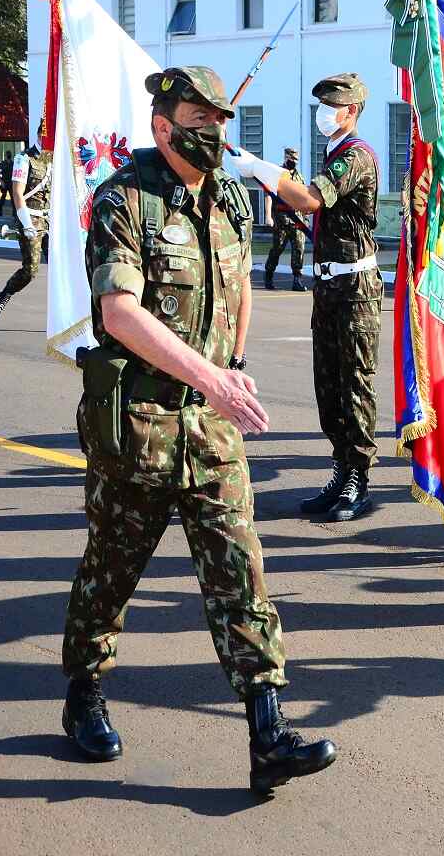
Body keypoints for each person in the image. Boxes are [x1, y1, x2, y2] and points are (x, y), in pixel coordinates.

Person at [62, 66, 335, 793]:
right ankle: (85, 691)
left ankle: (268, 733)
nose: (214, 128)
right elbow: (119, 313)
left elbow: (237, 285)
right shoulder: (123, 200)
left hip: (211, 429)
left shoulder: (232, 201)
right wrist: (208, 375)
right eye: (199, 116)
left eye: (220, 116)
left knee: (240, 574)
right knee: (112, 573)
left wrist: (233, 364)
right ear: (163, 126)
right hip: (140, 426)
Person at [234, 73, 381, 524]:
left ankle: (357, 477)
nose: (322, 113)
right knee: (329, 385)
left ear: (350, 111)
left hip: (355, 290)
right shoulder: (333, 153)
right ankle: (341, 470)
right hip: (330, 288)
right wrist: (265, 171)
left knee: (354, 385)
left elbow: (310, 200)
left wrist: (261, 168)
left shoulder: (355, 156)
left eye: (329, 106)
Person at [0, 121, 52, 326]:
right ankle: (3, 296)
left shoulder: (55, 158)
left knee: (62, 268)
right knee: (31, 269)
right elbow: (16, 192)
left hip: (51, 219)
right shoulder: (24, 158)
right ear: (39, 135)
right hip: (30, 218)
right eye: (46, 134)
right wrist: (26, 223)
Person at [262, 147, 310, 291]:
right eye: (291, 159)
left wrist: (306, 215)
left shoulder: (299, 177)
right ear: (285, 158)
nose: (293, 162)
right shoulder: (277, 174)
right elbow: (269, 195)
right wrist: (268, 216)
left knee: (299, 249)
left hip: (298, 220)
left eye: (295, 160)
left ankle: (297, 280)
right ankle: (269, 276)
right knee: (277, 249)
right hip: (281, 219)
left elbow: (303, 197)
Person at [0, 150, 14, 219]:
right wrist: (1, 181)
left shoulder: (13, 163)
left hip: (11, 182)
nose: (8, 155)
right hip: (4, 182)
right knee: (3, 197)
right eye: (8, 154)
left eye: (9, 154)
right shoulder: (3, 163)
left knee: (13, 198)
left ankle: (14, 212)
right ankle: (0, 210)